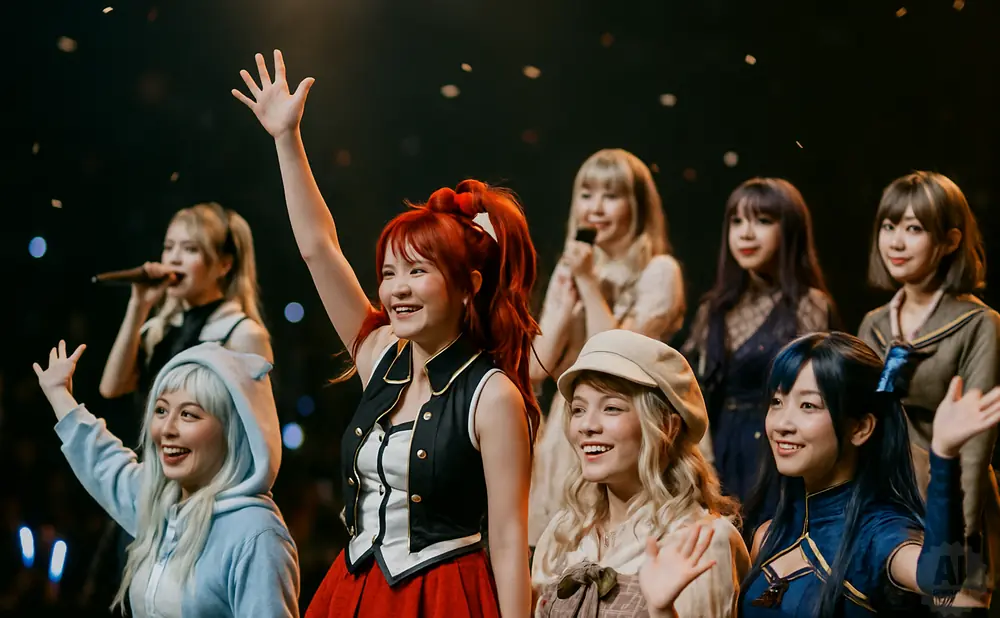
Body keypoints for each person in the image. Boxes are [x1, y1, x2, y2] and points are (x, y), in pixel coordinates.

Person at [233, 50, 538, 618]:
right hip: (354, 590)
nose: (396, 288)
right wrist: (287, 139)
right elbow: (319, 249)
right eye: (390, 272)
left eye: (417, 271)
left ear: (468, 286)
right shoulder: (382, 355)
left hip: (444, 598)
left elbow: (508, 540)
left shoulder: (493, 394)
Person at [741, 332, 1000, 616]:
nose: (782, 424)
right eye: (777, 402)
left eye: (808, 406)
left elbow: (941, 579)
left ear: (860, 428)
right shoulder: (768, 536)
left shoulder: (877, 534)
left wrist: (944, 456)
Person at [33, 340, 299, 616]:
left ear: (233, 430)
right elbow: (106, 464)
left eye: (188, 414)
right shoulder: (161, 503)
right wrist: (59, 394)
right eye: (161, 410)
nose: (166, 429)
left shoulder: (256, 534)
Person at [532, 330, 749, 617]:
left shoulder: (700, 541)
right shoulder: (564, 533)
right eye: (579, 409)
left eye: (611, 408)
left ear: (666, 427)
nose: (586, 425)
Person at [529, 149, 685, 546]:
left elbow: (613, 358)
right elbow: (535, 368)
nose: (595, 208)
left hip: (626, 427)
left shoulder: (659, 271)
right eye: (587, 194)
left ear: (637, 206)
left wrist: (587, 282)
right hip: (570, 425)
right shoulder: (571, 267)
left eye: (611, 195)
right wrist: (563, 305)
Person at [858, 171, 1000, 606]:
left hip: (952, 502)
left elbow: (975, 447)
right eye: (889, 226)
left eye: (914, 229)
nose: (896, 242)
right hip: (886, 510)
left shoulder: (978, 323)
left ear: (951, 240)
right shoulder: (873, 324)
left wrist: (955, 535)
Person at [681, 178, 834, 511]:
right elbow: (692, 390)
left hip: (777, 448)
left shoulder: (808, 305)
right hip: (718, 448)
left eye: (762, 221)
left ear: (789, 230)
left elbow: (817, 396)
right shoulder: (713, 309)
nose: (746, 234)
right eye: (737, 222)